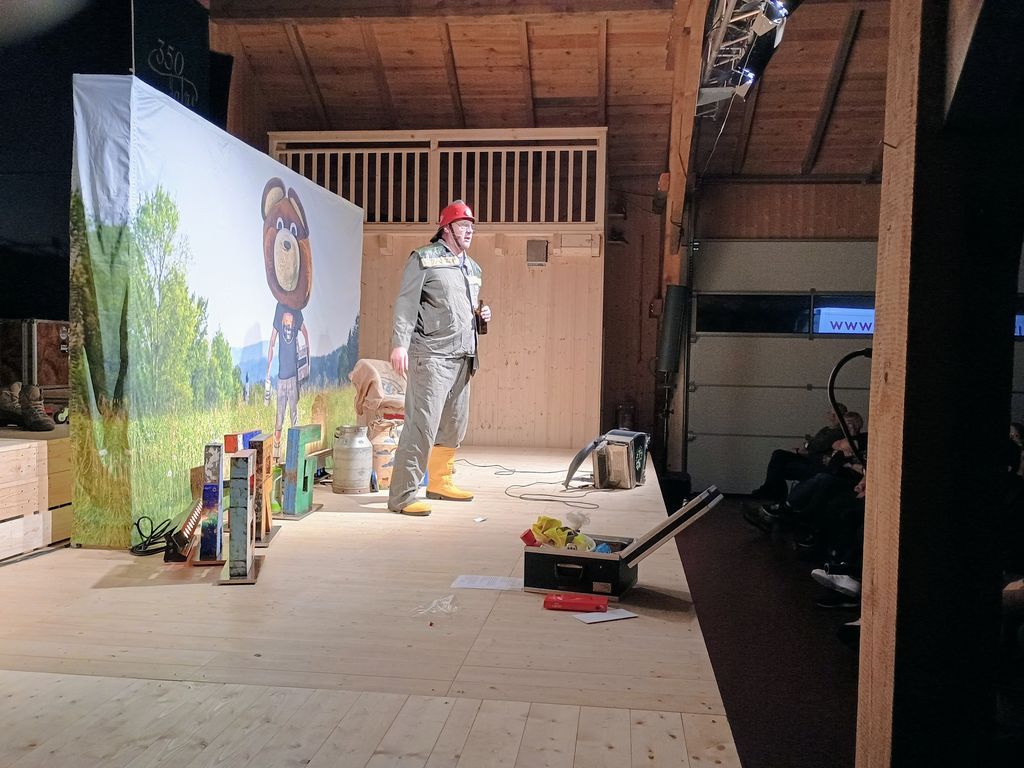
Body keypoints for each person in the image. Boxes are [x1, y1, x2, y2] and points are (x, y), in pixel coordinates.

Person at [387, 200, 491, 515]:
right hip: (431, 357)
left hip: (464, 357)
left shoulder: (473, 268)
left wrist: (482, 315)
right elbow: (406, 303)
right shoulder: (424, 259)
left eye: (471, 226)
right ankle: (402, 496)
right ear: (446, 228)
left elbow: (463, 309)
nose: (469, 231)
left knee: (453, 425)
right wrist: (400, 344)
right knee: (421, 427)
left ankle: (440, 482)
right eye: (463, 226)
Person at [750, 402, 853, 501]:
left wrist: (806, 447)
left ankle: (775, 491)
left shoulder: (839, 433)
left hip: (816, 463)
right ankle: (771, 488)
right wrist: (806, 447)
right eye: (831, 413)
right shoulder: (826, 429)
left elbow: (816, 445)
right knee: (779, 454)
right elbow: (812, 443)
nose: (832, 416)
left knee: (779, 467)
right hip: (808, 456)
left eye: (835, 414)